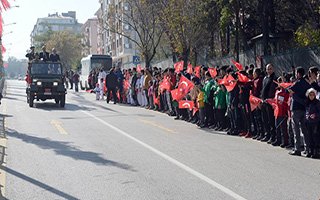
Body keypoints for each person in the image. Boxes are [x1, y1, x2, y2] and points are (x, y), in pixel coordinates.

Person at [288, 67, 310, 156]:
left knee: (296, 129)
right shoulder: (306, 84)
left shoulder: (297, 83)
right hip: (304, 108)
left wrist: (292, 93)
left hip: (296, 108)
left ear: (298, 74)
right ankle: (307, 148)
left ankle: (297, 149)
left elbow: (288, 89)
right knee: (305, 129)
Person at [305, 88, 320, 158]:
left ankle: (316, 152)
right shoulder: (307, 102)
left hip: (315, 122)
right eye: (310, 95)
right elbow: (306, 111)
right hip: (309, 122)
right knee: (309, 137)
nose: (311, 96)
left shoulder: (317, 102)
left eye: (313, 95)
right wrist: (307, 115)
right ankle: (310, 151)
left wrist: (315, 115)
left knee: (315, 137)